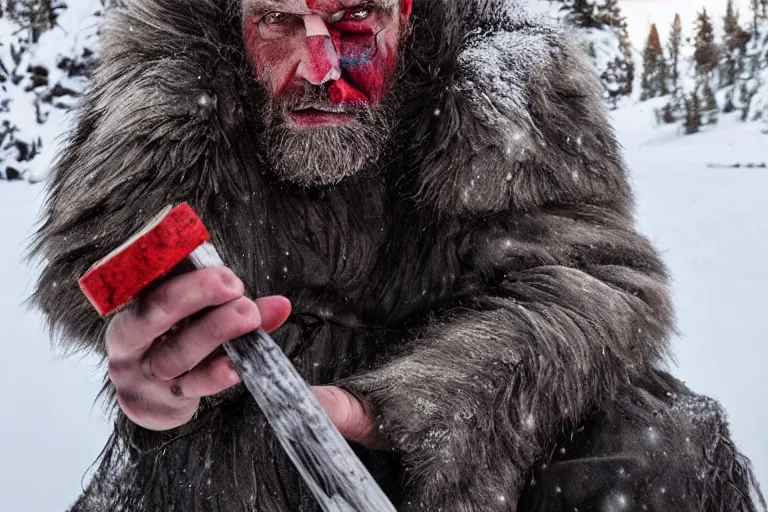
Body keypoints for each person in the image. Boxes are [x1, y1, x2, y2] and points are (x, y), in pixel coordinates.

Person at [30, 0, 766, 510]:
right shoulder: (174, 112)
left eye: (355, 19)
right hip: (243, 451)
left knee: (659, 442)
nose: (321, 67)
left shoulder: (507, 87)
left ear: (406, 14)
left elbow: (593, 287)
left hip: (486, 430)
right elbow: (108, 273)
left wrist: (401, 410)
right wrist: (158, 371)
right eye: (281, 21)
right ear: (235, 22)